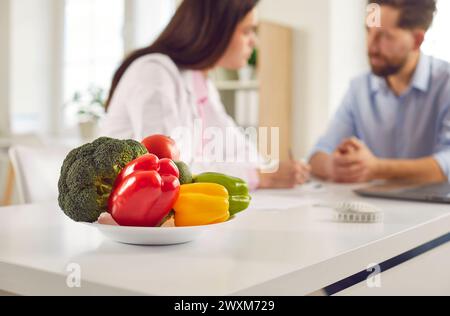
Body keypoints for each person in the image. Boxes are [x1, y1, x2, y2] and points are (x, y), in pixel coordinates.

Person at [102, 0, 310, 190]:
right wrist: (261, 176)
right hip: (135, 219)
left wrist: (273, 169)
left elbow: (237, 149)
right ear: (216, 31)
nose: (254, 42)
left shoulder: (199, 80)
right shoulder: (154, 72)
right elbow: (171, 169)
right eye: (247, 31)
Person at [310, 0, 450, 184]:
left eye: (385, 36)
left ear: (417, 40)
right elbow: (319, 153)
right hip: (373, 210)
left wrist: (377, 169)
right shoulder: (359, 89)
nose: (370, 46)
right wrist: (335, 166)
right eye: (369, 32)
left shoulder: (445, 84)